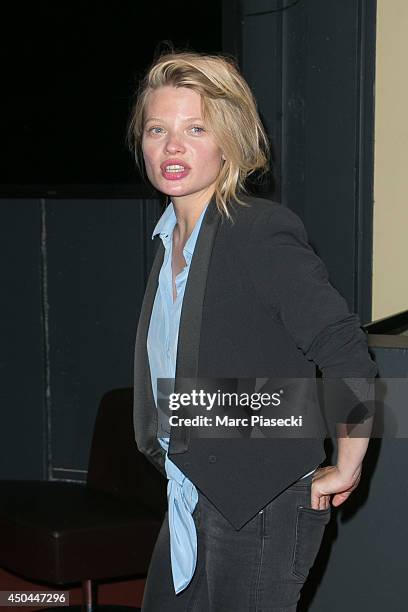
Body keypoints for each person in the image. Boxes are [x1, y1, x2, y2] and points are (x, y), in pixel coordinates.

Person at [127, 50, 378, 611]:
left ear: (230, 141)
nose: (172, 146)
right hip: (191, 487)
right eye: (157, 129)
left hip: (261, 496)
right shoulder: (170, 241)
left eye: (196, 129)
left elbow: (345, 353)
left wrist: (346, 463)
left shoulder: (257, 230)